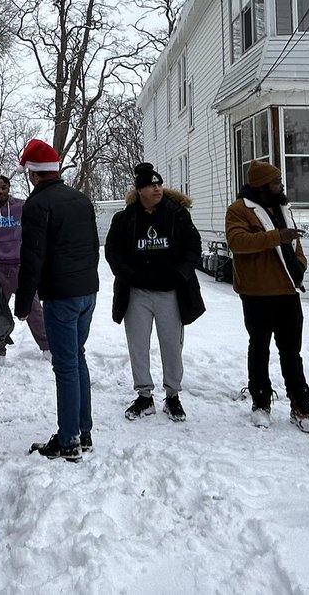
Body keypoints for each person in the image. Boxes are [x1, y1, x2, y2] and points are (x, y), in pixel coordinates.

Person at [15, 139, 100, 461]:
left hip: (61, 296)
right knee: (76, 359)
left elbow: (32, 257)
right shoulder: (80, 199)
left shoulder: (37, 205)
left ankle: (68, 440)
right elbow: (93, 247)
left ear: (33, 174)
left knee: (65, 366)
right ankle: (83, 430)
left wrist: (23, 303)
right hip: (86, 291)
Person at [225, 160, 309, 434]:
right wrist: (276, 236)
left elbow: (295, 243)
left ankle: (300, 405)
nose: (281, 186)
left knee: (292, 352)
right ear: (262, 186)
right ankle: (261, 402)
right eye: (276, 182)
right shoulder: (239, 210)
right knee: (259, 349)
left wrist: (301, 264)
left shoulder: (283, 208)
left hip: (288, 290)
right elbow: (237, 243)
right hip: (256, 293)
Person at [105, 162, 205, 423]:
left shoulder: (177, 215)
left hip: (170, 293)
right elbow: (112, 251)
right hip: (137, 293)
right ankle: (144, 396)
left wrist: (181, 273)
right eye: (151, 185)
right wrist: (128, 274)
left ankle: (173, 395)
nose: (158, 188)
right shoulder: (125, 219)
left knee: (172, 345)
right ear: (140, 191)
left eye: (159, 184)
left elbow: (193, 246)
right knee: (138, 345)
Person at [0, 174, 49, 369]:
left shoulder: (22, 207)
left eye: (3, 188)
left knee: (34, 310)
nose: (0, 191)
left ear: (9, 188)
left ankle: (47, 348)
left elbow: (37, 229)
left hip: (23, 267)